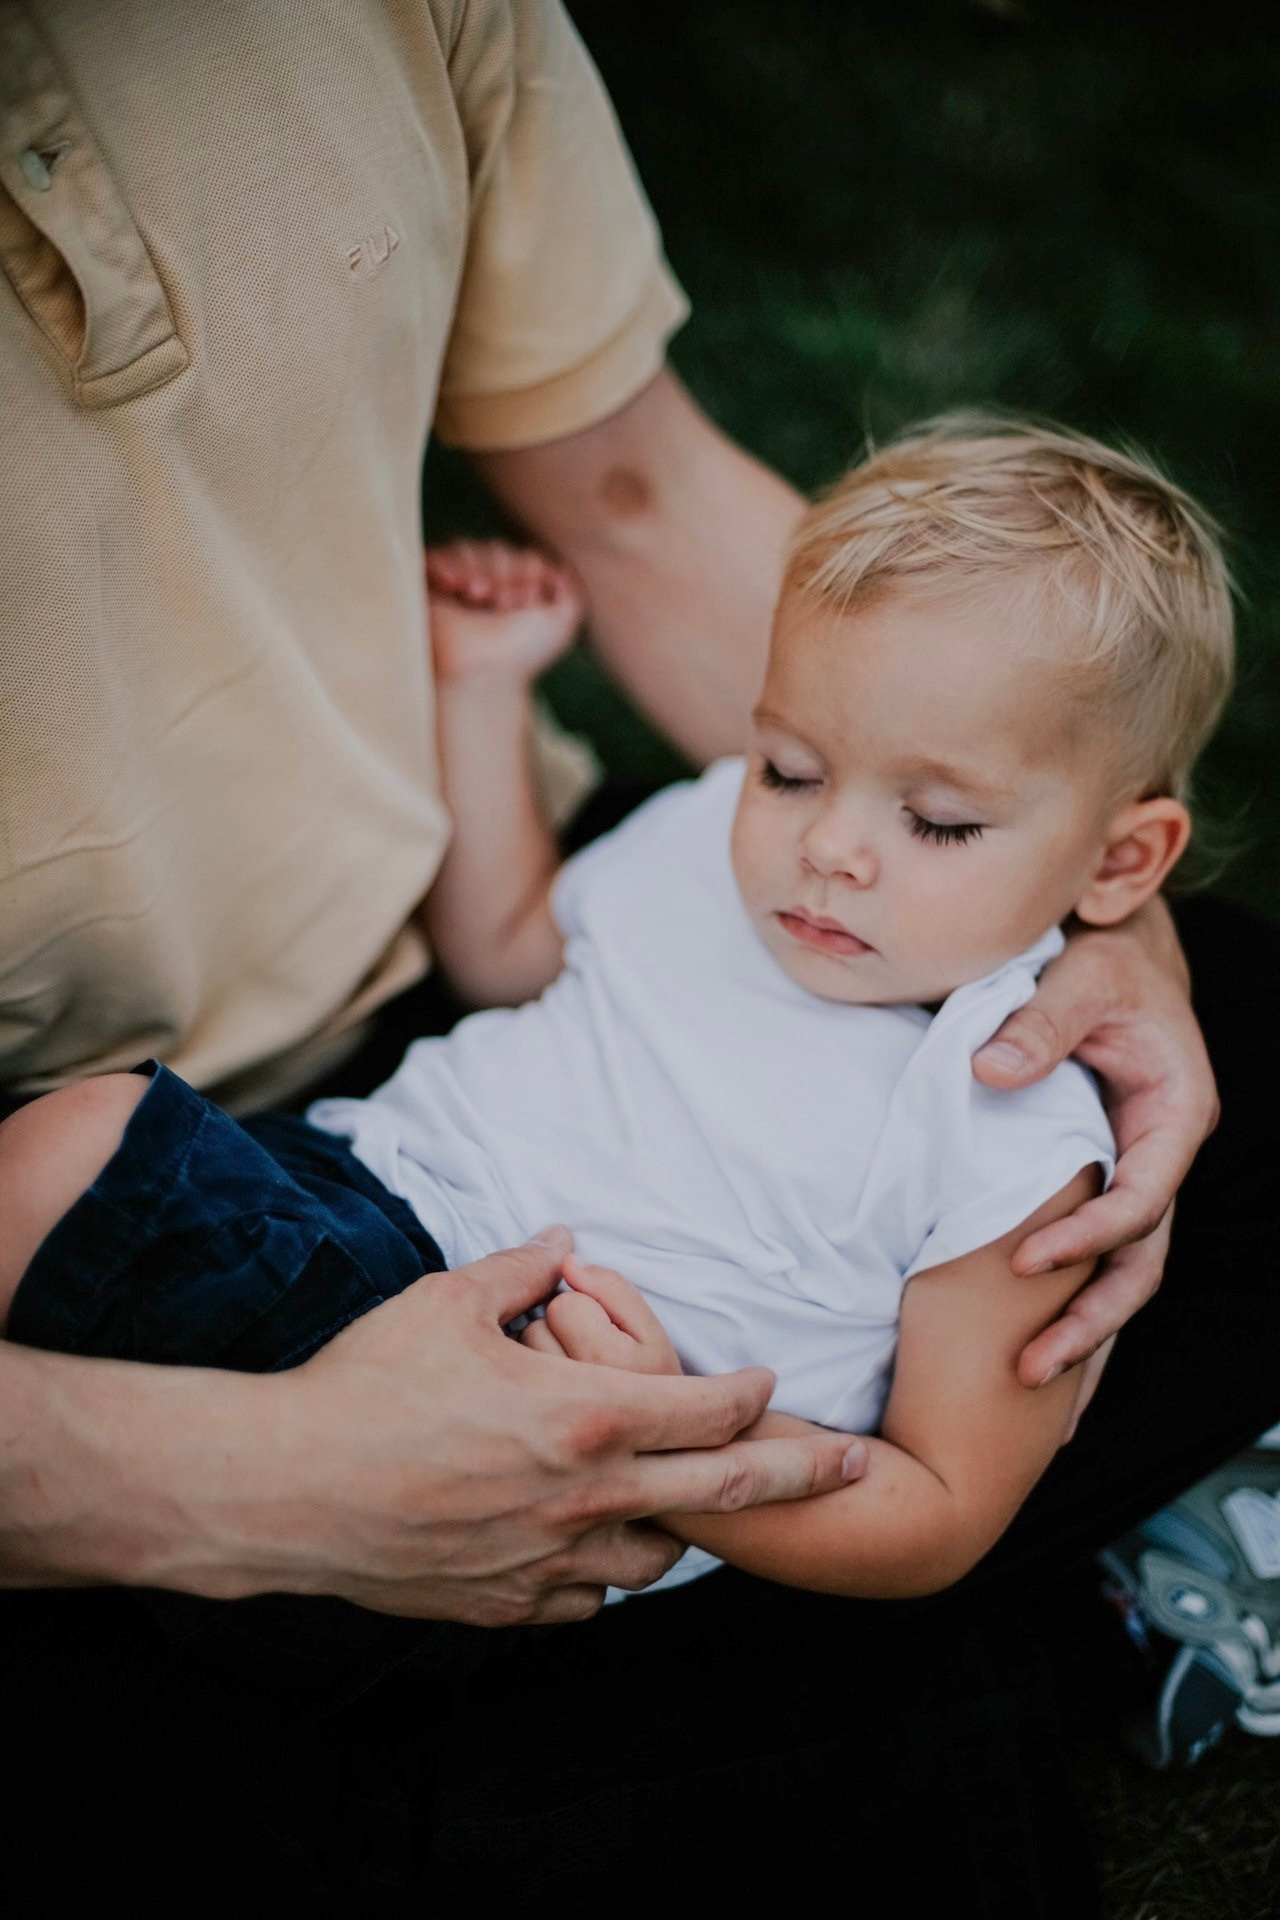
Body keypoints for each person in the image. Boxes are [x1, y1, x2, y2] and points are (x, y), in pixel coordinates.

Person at [0, 0, 1213, 1632]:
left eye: (937, 822)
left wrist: (670, 1458)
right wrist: (481, 695)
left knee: (68, 1157)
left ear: (1123, 861)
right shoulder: (717, 842)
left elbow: (938, 1506)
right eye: (791, 766)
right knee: (70, 1149)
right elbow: (508, 952)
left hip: (560, 1395)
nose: (826, 845)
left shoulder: (1011, 1120)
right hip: (360, 1195)